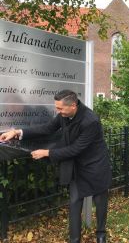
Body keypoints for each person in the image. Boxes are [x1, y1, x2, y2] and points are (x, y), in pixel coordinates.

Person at [0, 90, 112, 243]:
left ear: (73, 106)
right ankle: (74, 240)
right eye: (57, 108)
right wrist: (17, 132)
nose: (57, 112)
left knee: (100, 203)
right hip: (76, 167)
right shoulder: (64, 115)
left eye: (60, 109)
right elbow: (46, 128)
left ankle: (101, 234)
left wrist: (47, 152)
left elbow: (76, 148)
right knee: (74, 203)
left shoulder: (90, 120)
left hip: (95, 166)